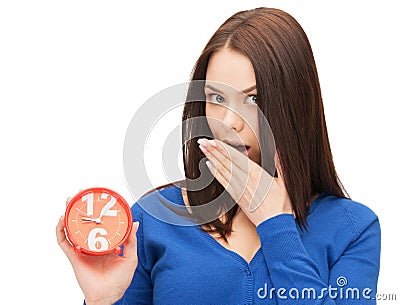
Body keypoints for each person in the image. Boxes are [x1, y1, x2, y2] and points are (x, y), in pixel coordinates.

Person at [56, 7, 381, 305]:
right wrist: (103, 301)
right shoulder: (152, 219)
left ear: (296, 105)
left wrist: (276, 225)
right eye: (216, 97)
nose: (227, 122)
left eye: (252, 100)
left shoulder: (354, 229)